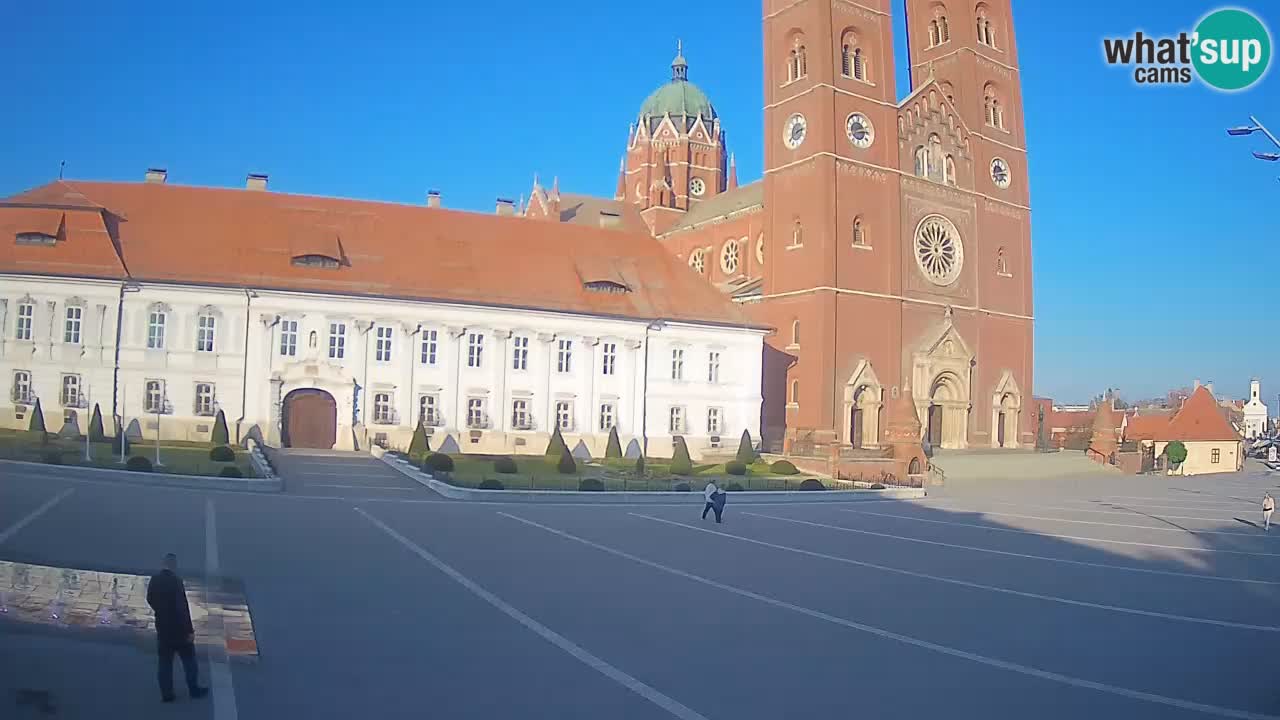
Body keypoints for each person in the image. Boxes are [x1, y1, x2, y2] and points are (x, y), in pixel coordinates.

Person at [146, 553, 208, 703]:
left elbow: (150, 599)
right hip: (179, 630)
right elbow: (182, 609)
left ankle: (167, 694)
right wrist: (189, 630)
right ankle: (193, 689)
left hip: (163, 628)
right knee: (189, 661)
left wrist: (160, 612)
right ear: (174, 565)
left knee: (165, 663)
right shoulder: (176, 582)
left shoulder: (154, 580)